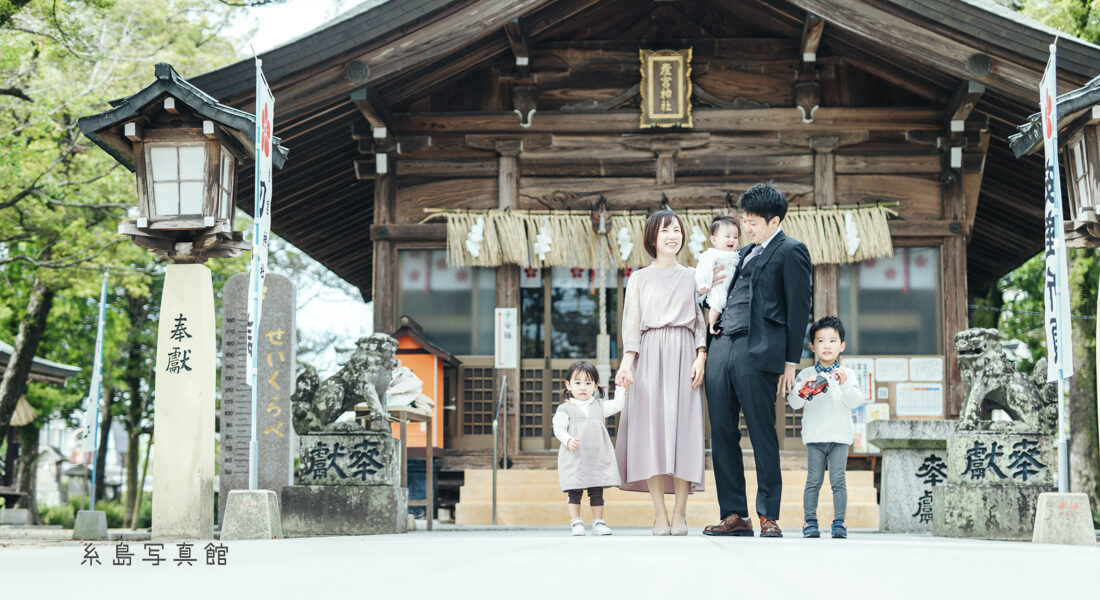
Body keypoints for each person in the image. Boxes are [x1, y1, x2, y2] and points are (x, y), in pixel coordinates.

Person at [703, 183, 813, 538]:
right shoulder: (743, 253)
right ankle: (735, 514)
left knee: (762, 432)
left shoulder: (792, 251)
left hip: (759, 349)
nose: (745, 228)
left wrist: (790, 361)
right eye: (744, 220)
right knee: (721, 432)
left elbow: (799, 309)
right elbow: (726, 294)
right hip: (721, 345)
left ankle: (768, 514)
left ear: (774, 220)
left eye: (752, 222)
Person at [615, 209, 707, 536]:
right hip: (649, 355)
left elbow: (700, 322)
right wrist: (626, 365)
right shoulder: (638, 279)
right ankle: (658, 513)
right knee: (650, 435)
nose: (673, 236)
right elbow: (631, 326)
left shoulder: (694, 276)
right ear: (653, 237)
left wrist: (701, 355)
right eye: (666, 230)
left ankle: (680, 512)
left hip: (685, 355)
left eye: (677, 230)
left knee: (684, 433)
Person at [786, 316, 863, 539]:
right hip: (815, 437)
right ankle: (810, 522)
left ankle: (839, 522)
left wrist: (844, 384)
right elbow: (794, 403)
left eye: (832, 341)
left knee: (838, 481)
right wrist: (803, 389)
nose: (826, 346)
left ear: (842, 345)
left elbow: (855, 401)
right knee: (813, 481)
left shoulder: (849, 374)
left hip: (840, 437)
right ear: (812, 346)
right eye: (820, 341)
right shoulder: (806, 375)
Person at [553, 361, 625, 536]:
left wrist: (622, 386)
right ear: (568, 385)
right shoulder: (565, 408)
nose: (583, 387)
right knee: (574, 491)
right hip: (575, 457)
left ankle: (598, 522)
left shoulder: (599, 406)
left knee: (596, 491)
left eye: (588, 383)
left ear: (596, 385)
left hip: (596, 457)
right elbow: (558, 428)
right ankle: (576, 522)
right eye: (577, 383)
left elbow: (618, 405)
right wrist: (568, 439)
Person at [694, 215, 742, 335]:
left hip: (732, 291)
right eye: (727, 236)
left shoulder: (737, 255)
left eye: (735, 237)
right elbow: (702, 271)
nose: (732, 240)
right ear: (714, 240)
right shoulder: (711, 255)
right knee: (717, 302)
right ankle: (712, 326)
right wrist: (703, 285)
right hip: (718, 287)